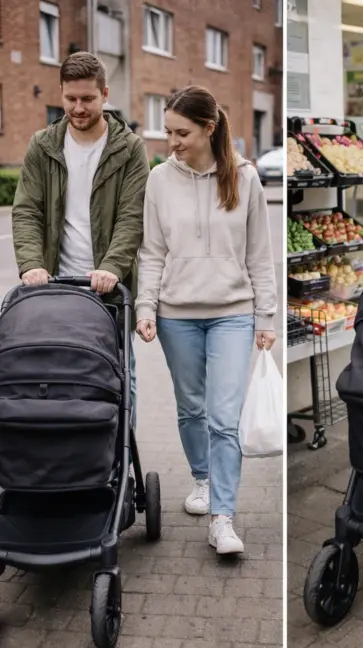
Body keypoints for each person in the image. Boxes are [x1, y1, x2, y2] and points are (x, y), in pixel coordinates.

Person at [135, 86, 277, 556]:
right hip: (177, 315)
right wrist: (146, 306)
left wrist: (266, 316)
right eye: (168, 131)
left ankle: (223, 517)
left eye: (181, 132)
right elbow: (152, 252)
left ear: (208, 129)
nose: (171, 141)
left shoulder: (246, 179)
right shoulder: (159, 180)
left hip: (233, 314)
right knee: (190, 408)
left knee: (223, 417)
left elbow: (260, 255)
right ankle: (201, 477)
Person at [11, 51, 148, 428]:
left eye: (87, 98)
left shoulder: (129, 148)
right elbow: (26, 211)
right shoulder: (43, 145)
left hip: (108, 289)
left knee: (121, 378)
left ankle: (120, 465)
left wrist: (111, 268)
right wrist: (32, 264)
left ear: (104, 94)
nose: (78, 107)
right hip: (55, 287)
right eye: (70, 99)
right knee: (57, 378)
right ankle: (69, 459)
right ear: (61, 94)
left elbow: (131, 218)